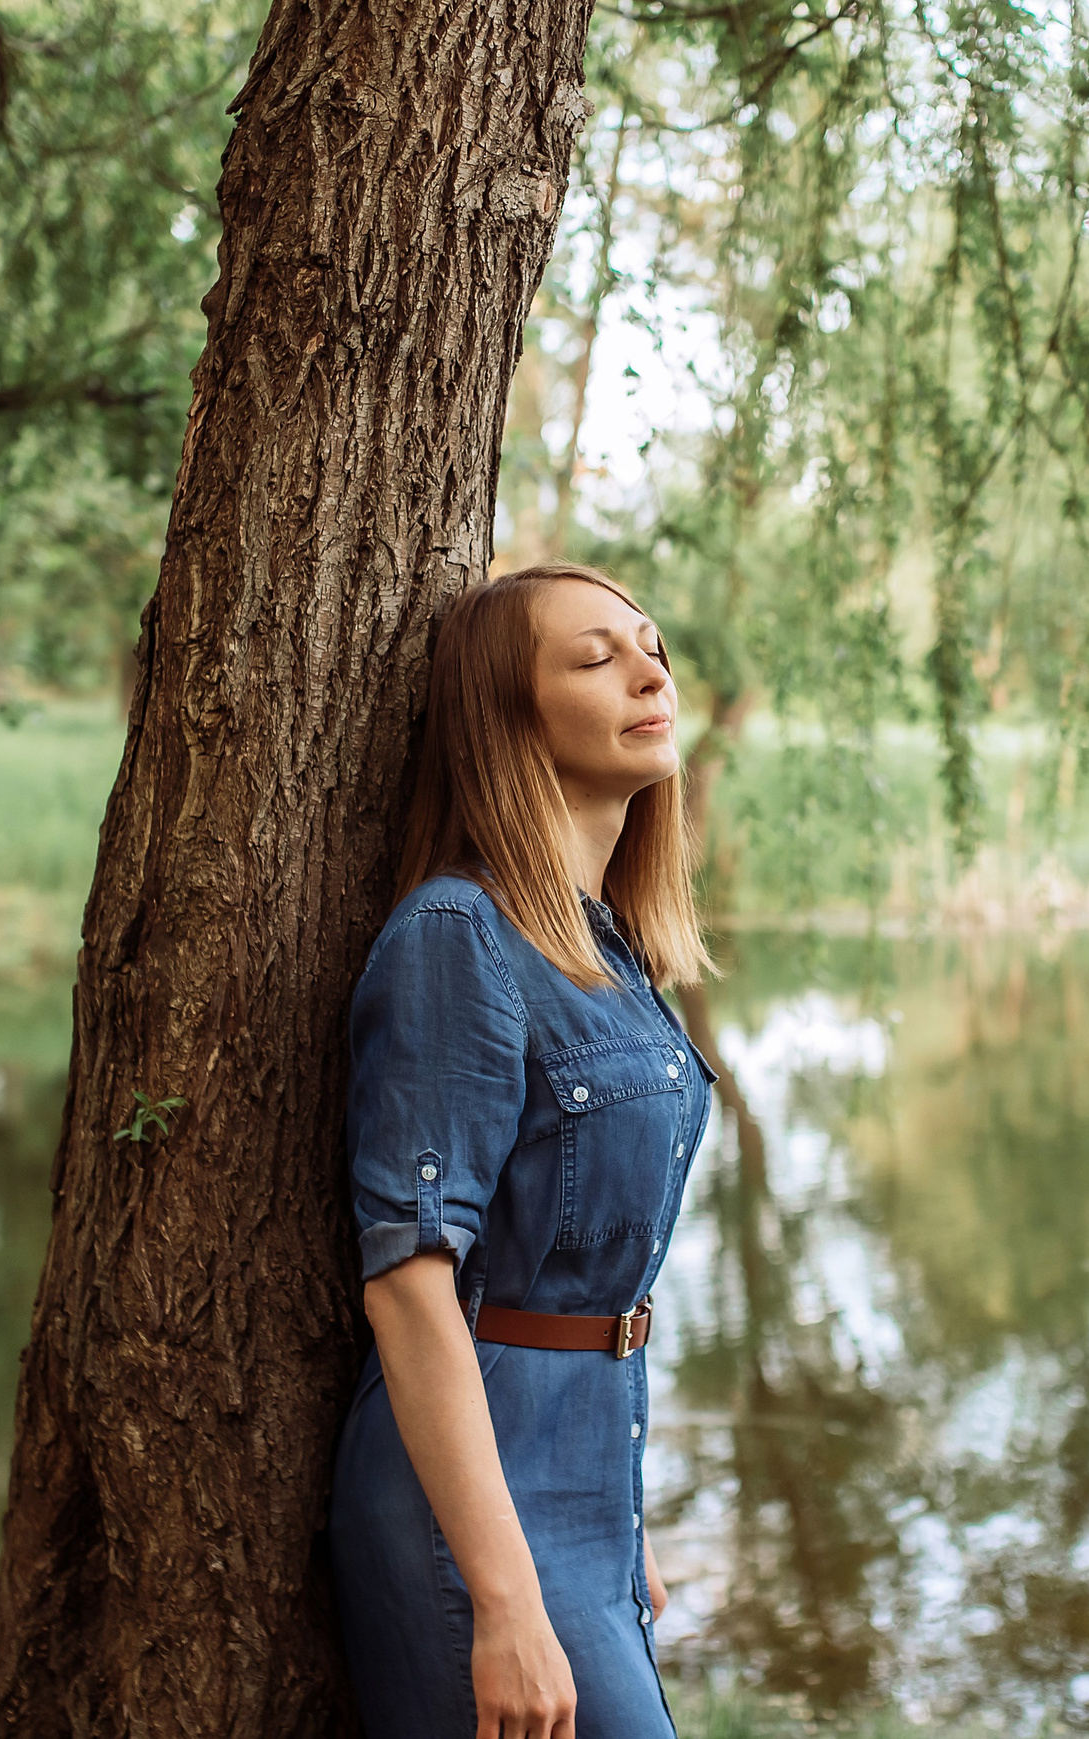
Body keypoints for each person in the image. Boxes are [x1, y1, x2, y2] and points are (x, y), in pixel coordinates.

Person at [330, 563, 719, 1739]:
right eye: (595, 657)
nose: (650, 672)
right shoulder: (459, 934)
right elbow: (408, 1284)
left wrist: (625, 1523)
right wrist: (504, 1596)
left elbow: (595, 1289)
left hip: (587, 1487)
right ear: (510, 716)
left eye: (651, 646)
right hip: (473, 1516)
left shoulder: (613, 950)